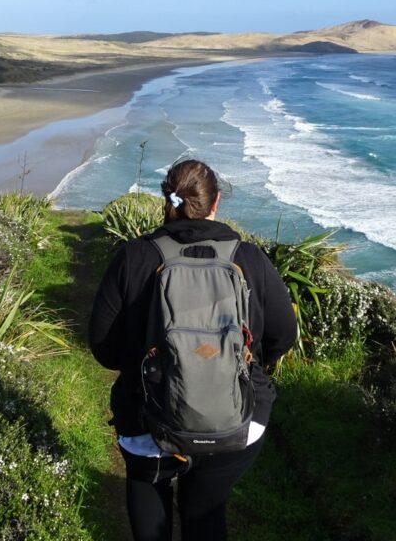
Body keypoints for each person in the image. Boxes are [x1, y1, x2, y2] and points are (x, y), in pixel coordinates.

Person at [89, 158, 298, 541]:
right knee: (205, 513)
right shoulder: (248, 257)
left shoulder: (135, 256)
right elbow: (283, 334)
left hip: (146, 419)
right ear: (216, 202)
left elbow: (102, 346)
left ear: (166, 199)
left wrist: (149, 369)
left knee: (148, 498)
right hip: (235, 419)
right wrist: (237, 367)